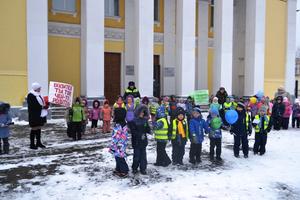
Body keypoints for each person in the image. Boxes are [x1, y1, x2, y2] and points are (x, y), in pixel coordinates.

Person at [27, 82, 48, 149]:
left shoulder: (39, 95)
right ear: (35, 88)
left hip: (40, 115)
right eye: (39, 88)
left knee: (39, 128)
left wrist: (46, 104)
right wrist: (42, 107)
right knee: (34, 129)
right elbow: (32, 106)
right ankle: (32, 144)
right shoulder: (31, 95)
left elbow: (42, 103)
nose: (40, 89)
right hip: (34, 116)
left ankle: (38, 143)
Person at [131, 105, 151, 175]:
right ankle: (134, 168)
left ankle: (143, 168)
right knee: (136, 156)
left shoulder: (145, 120)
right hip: (136, 141)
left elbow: (147, 129)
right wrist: (140, 135)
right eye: (141, 112)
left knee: (143, 156)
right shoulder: (134, 121)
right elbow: (133, 131)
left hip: (143, 141)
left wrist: (148, 129)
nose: (142, 113)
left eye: (143, 112)